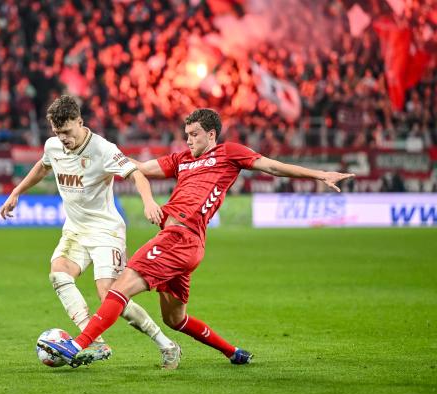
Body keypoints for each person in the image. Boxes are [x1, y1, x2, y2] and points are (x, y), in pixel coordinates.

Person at [38, 108, 355, 368]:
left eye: (194, 135)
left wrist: (319, 175)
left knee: (118, 288)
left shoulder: (229, 153)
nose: (189, 140)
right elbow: (138, 167)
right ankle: (232, 352)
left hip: (180, 237)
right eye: (186, 135)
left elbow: (272, 167)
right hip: (183, 243)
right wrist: (99, 156)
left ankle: (77, 345)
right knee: (175, 318)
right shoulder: (181, 160)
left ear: (212, 134)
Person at [0, 95, 181, 368]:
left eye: (68, 132)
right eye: (58, 133)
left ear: (80, 122)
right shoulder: (53, 146)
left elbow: (136, 174)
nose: (63, 139)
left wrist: (148, 202)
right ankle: (94, 341)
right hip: (75, 229)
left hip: (106, 231)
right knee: (59, 273)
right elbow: (43, 166)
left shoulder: (103, 149)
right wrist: (16, 192)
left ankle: (166, 344)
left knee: (109, 294)